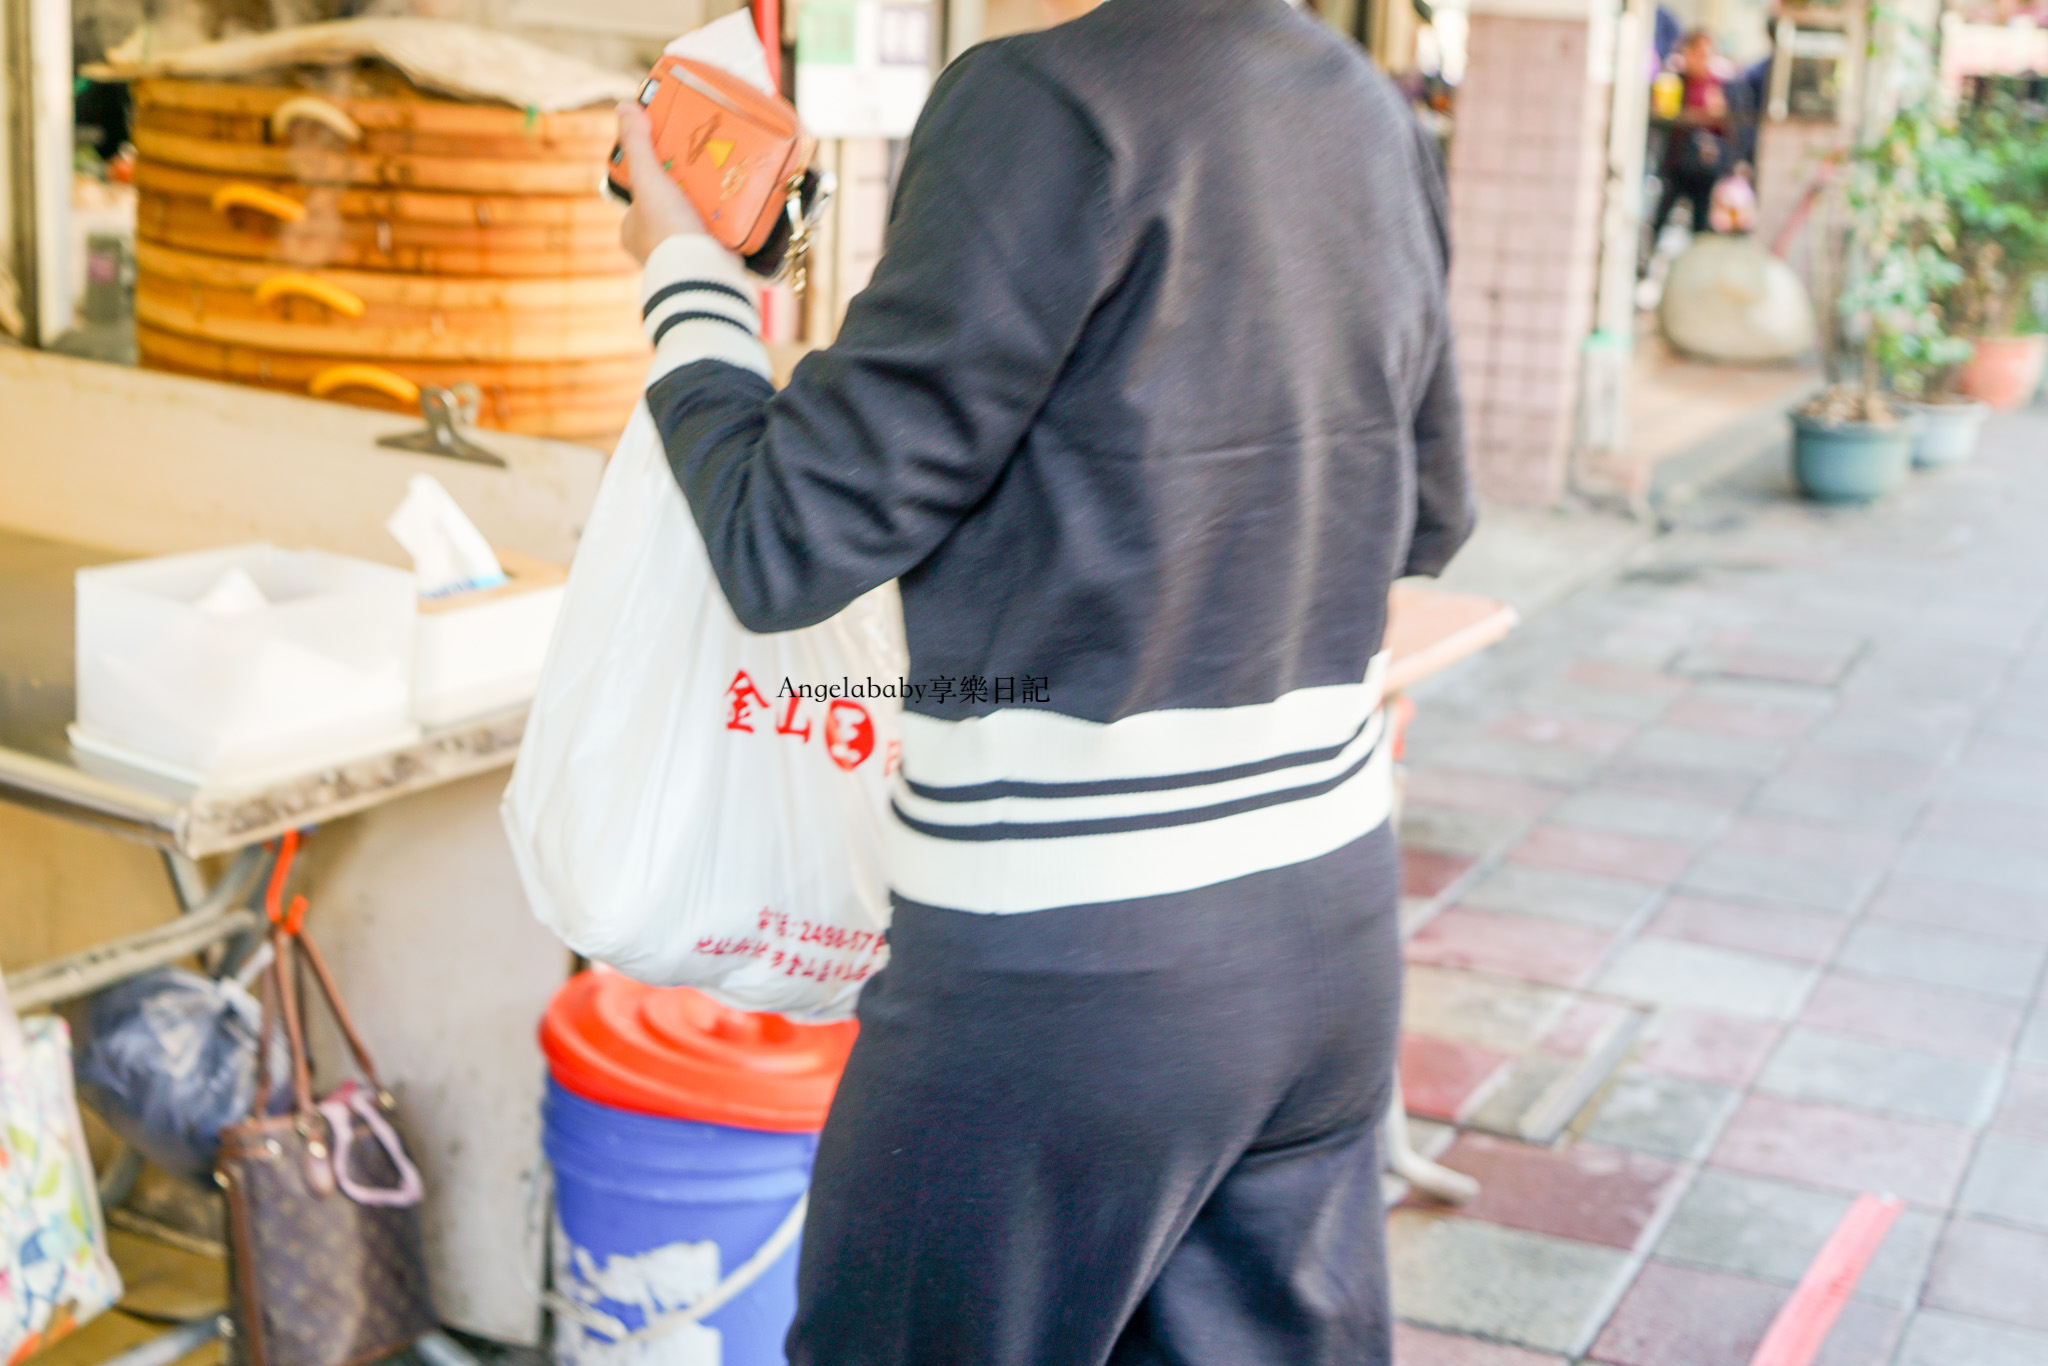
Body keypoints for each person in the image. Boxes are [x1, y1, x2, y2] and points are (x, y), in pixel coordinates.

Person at [612, 0, 1475, 1357]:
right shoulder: (1362, 106)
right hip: (1325, 923)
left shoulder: (1037, 104)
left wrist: (684, 266)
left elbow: (787, 536)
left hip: (1072, 965)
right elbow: (1431, 517)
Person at [1650, 28, 1732, 240]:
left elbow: (1730, 129)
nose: (1702, 60)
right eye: (1697, 53)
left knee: (1701, 227)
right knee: (1658, 221)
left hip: (1705, 168)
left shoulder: (1720, 87)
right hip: (1676, 164)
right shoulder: (1674, 82)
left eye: (1707, 54)